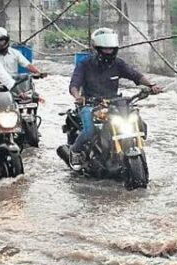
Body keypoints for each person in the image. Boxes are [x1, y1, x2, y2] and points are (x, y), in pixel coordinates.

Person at [59, 28, 162, 166]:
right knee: (89, 131)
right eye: (105, 49)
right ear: (96, 48)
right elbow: (74, 84)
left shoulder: (118, 63)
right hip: (90, 104)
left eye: (111, 49)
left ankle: (128, 147)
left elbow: (135, 75)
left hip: (114, 103)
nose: (109, 52)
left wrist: (151, 85)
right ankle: (75, 151)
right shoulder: (84, 64)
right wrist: (78, 97)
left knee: (139, 122)